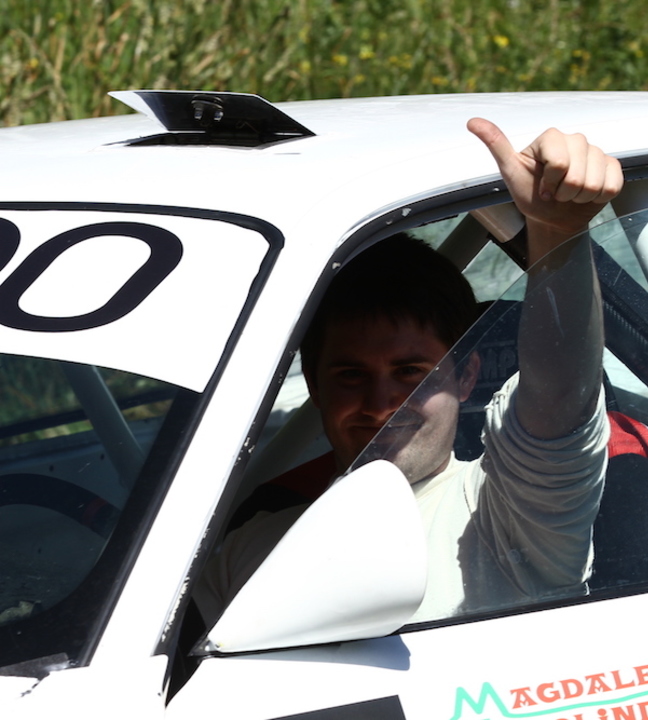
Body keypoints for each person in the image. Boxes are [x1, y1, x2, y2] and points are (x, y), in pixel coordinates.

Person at [195, 118, 624, 623]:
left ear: (466, 378)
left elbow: (560, 396)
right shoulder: (250, 548)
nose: (380, 405)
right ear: (314, 385)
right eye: (351, 375)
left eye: (410, 373)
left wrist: (559, 232)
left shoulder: (507, 514)